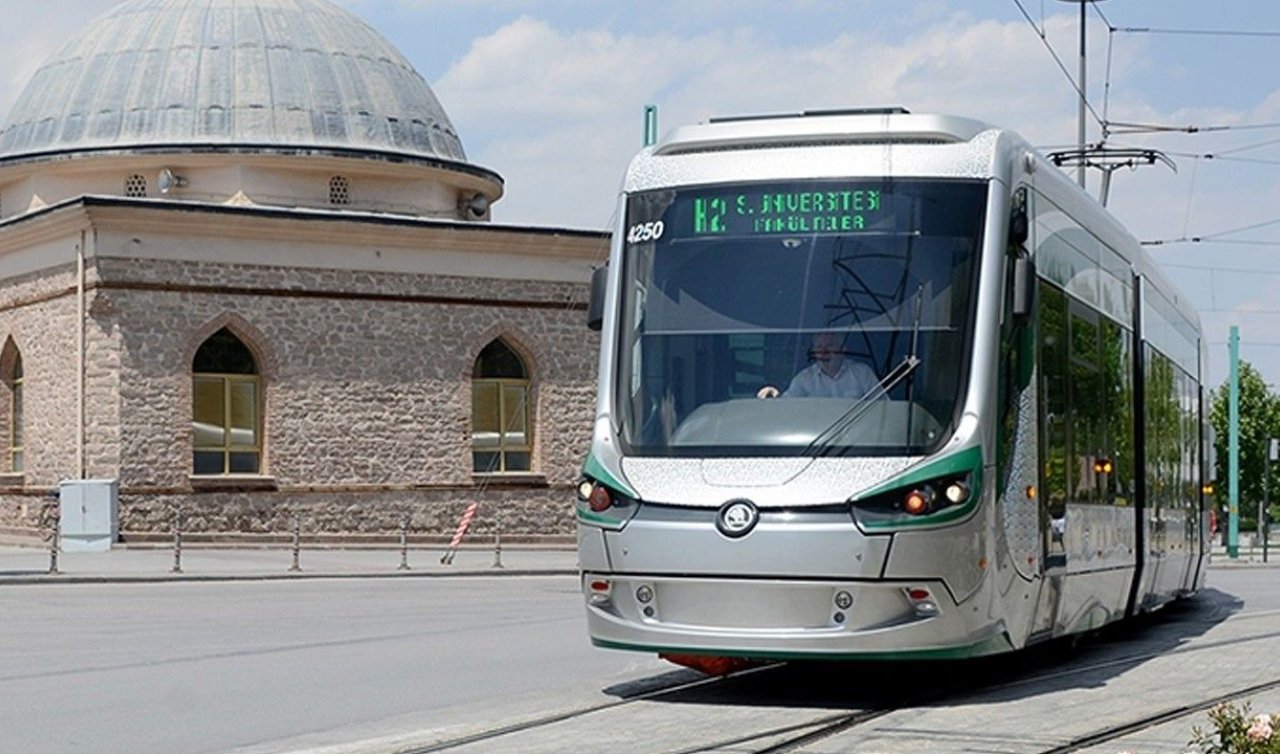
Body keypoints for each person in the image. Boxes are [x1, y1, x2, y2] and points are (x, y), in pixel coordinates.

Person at [757, 331, 879, 399]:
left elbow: (883, 408)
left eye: (830, 346)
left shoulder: (862, 374)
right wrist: (773, 395)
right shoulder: (804, 379)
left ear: (843, 349)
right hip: (814, 442)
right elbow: (787, 408)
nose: (824, 352)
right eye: (819, 347)